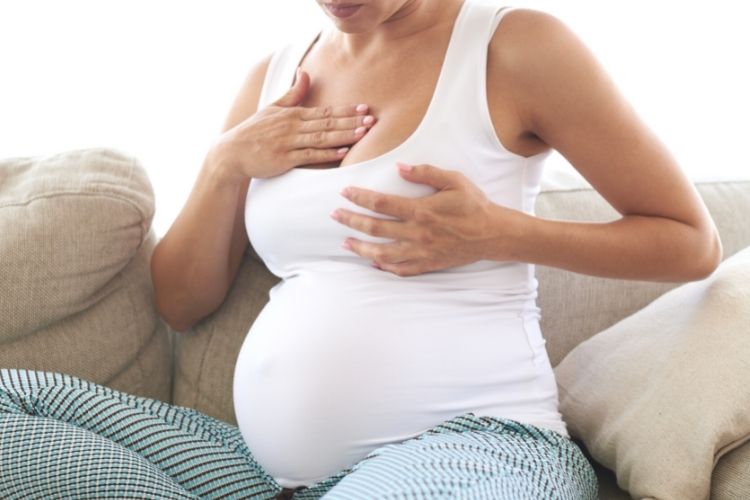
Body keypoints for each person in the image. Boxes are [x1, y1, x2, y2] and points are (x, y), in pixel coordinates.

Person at [0, 0, 721, 499]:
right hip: (261, 477)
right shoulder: (276, 72)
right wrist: (226, 164)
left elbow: (689, 243)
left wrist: (499, 231)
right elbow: (181, 302)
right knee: (12, 402)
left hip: (472, 449)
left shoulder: (513, 45)